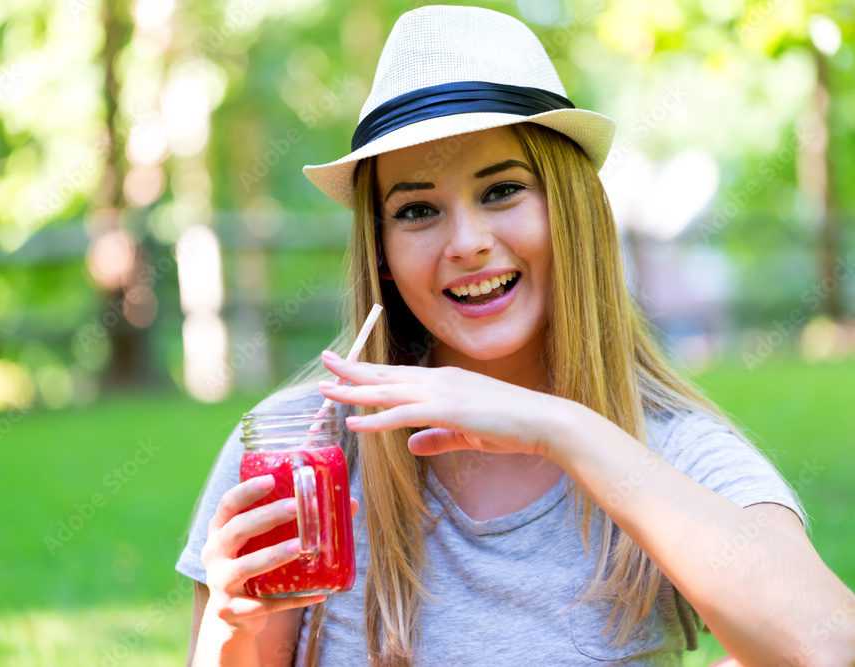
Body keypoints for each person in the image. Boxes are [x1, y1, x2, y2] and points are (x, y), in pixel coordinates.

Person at [177, 6, 855, 666]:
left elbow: (830, 646)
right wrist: (233, 623)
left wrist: (559, 426)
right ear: (380, 247)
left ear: (569, 209)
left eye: (501, 191)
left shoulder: (670, 450)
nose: (468, 243)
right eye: (417, 210)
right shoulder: (297, 450)